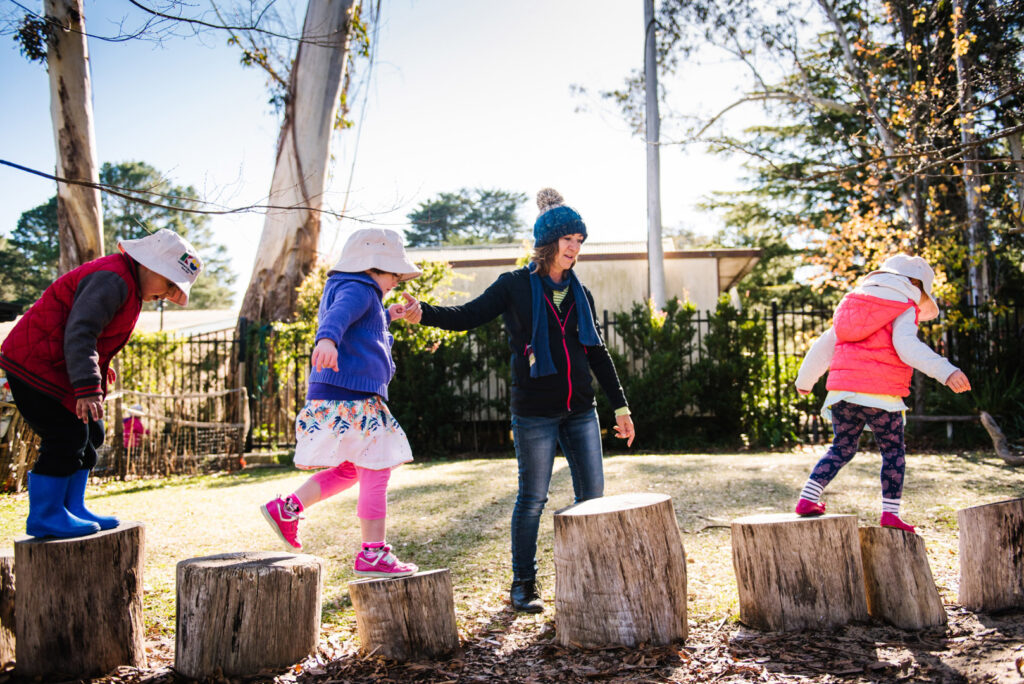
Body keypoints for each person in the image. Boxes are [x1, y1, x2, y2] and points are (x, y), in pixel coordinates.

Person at [401, 188, 635, 612]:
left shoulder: (582, 294)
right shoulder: (513, 287)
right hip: (534, 413)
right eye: (568, 239)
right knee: (532, 499)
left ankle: (589, 580)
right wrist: (426, 313)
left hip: (581, 410)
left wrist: (620, 405)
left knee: (593, 499)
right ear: (548, 243)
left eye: (579, 241)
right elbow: (469, 315)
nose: (574, 247)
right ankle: (523, 585)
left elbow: (597, 351)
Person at [0, 229, 203, 538]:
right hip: (34, 365)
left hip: (55, 367)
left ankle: (71, 507)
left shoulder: (129, 285)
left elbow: (97, 338)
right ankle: (45, 514)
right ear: (148, 264)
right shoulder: (113, 279)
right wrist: (86, 384)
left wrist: (98, 369)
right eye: (169, 283)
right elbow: (81, 332)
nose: (168, 294)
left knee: (91, 432)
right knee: (65, 435)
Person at [261, 228, 422, 578]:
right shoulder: (359, 289)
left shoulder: (362, 293)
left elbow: (360, 329)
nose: (396, 280)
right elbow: (339, 316)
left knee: (352, 469)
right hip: (353, 400)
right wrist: (327, 340)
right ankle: (373, 553)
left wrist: (387, 316)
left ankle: (288, 508)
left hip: (340, 396)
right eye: (394, 273)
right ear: (374, 267)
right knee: (377, 468)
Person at [793, 254, 971, 533]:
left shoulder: (850, 304)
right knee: (892, 452)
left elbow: (823, 345)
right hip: (882, 397)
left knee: (841, 448)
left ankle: (808, 498)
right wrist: (945, 370)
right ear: (915, 284)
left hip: (843, 396)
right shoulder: (903, 306)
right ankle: (890, 513)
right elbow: (907, 347)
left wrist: (805, 380)